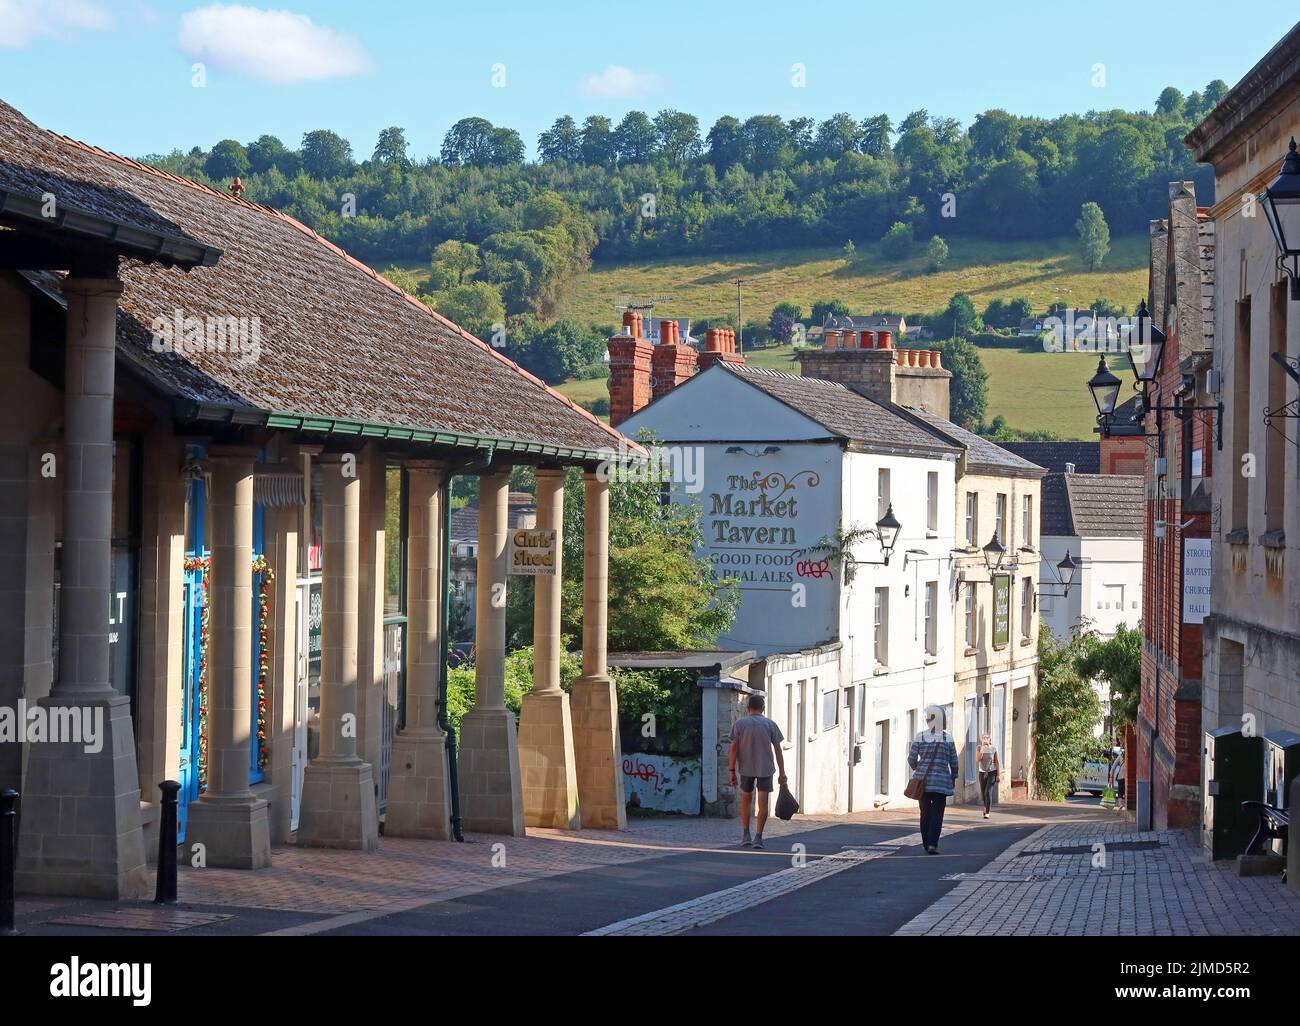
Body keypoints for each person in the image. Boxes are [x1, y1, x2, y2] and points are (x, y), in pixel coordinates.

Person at [728, 693, 787, 850]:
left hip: (746, 767)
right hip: (765, 768)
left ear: (747, 709)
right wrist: (782, 772)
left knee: (746, 799)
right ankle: (758, 837)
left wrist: (731, 770)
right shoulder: (770, 724)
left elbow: (733, 749)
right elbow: (778, 750)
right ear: (763, 708)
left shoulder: (739, 724)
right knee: (762, 803)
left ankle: (746, 834)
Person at [908, 705, 959, 854]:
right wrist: (953, 776)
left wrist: (919, 767)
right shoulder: (948, 738)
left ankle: (925, 843)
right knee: (937, 814)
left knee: (925, 813)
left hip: (923, 782)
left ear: (928, 720)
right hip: (941, 782)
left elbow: (911, 758)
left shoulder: (920, 736)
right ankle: (933, 844)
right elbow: (954, 761)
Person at [976, 732, 1001, 819]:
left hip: (992, 772)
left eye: (987, 738)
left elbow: (997, 762)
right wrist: (983, 748)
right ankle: (985, 806)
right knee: (983, 793)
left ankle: (987, 812)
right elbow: (978, 759)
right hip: (982, 772)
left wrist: (998, 775)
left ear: (990, 740)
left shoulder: (993, 748)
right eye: (984, 738)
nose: (986, 739)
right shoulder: (979, 748)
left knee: (988, 791)